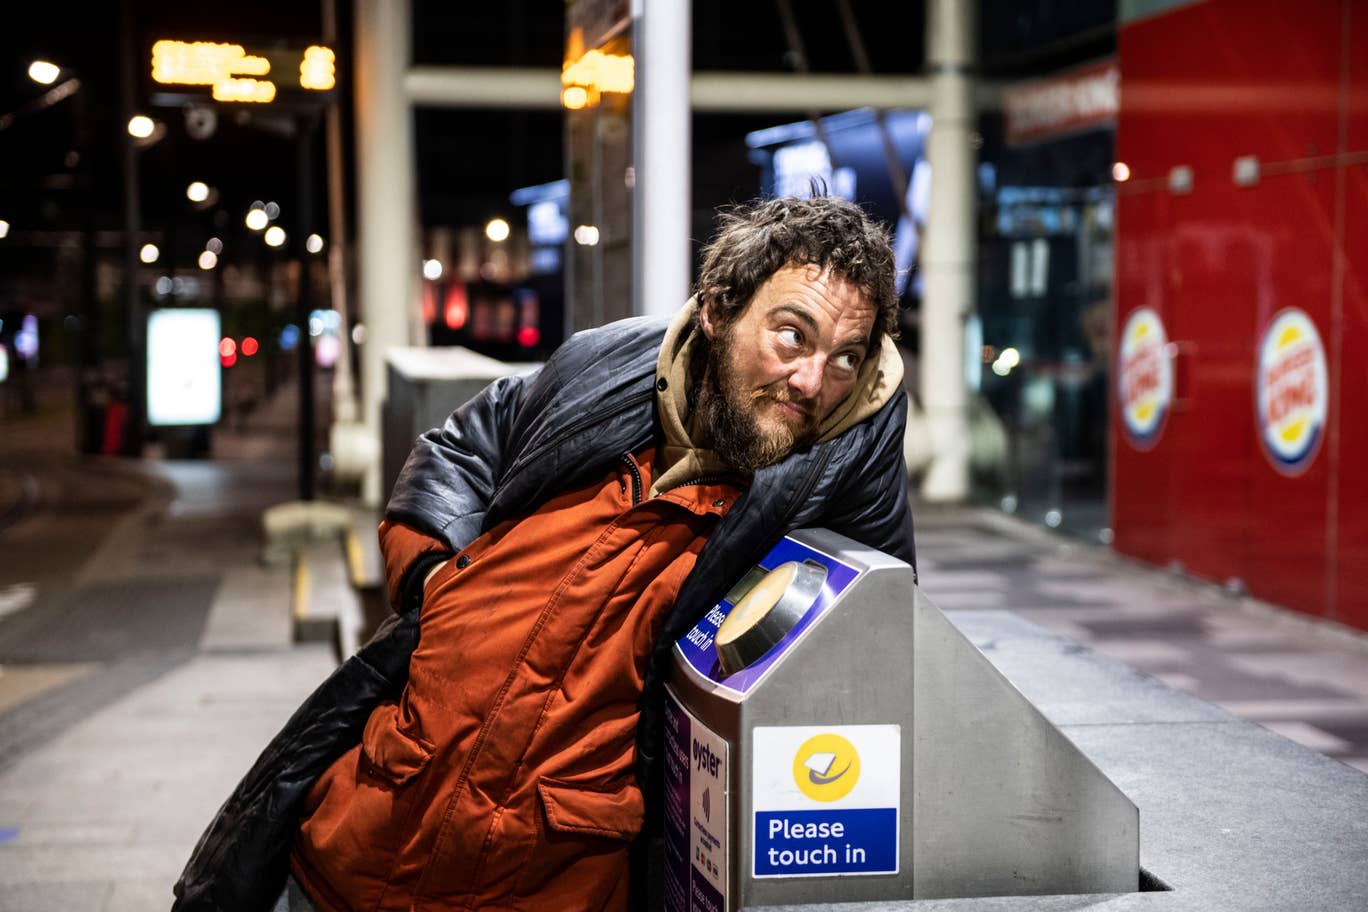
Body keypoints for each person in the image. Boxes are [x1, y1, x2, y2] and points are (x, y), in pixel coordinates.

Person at [173, 194, 916, 912]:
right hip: (347, 855)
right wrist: (438, 581)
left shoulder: (819, 485)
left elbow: (875, 646)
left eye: (847, 357)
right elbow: (464, 443)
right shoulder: (606, 375)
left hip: (544, 885)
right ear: (719, 311)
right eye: (793, 334)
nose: (814, 380)